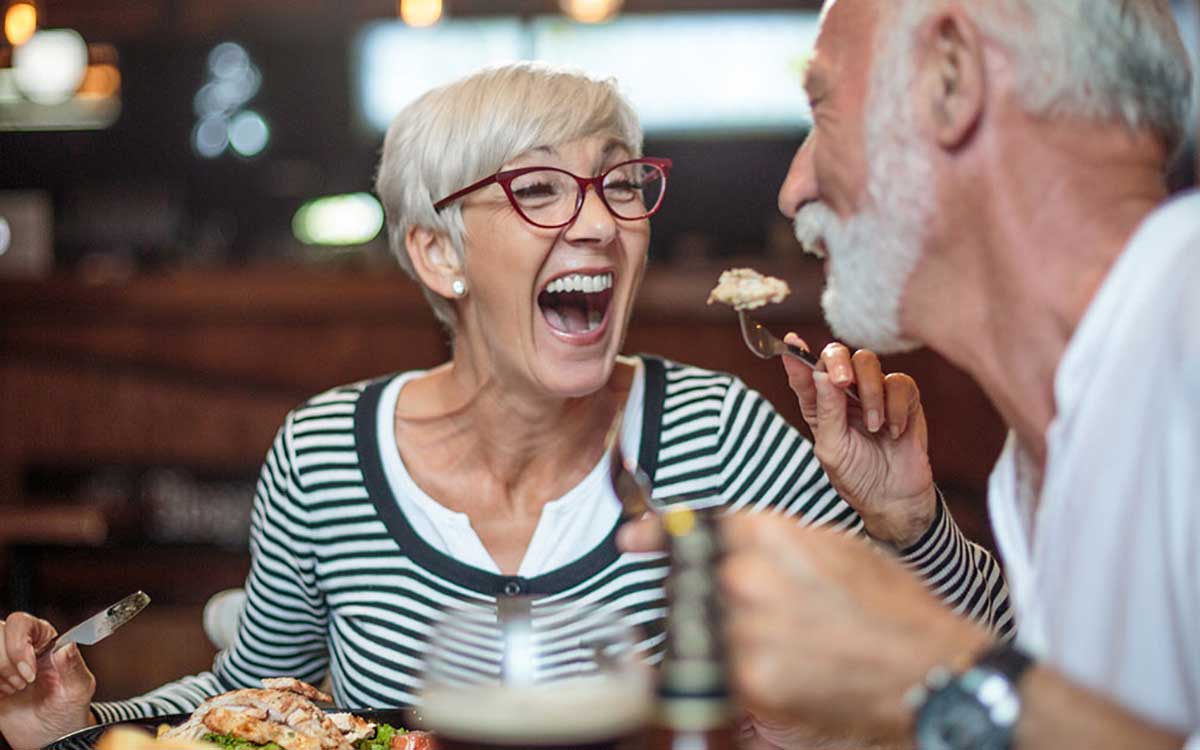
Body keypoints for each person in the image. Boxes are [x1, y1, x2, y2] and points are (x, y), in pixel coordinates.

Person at [0, 62, 1010, 750]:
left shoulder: (719, 438)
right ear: (438, 253)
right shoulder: (325, 458)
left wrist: (909, 527)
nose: (601, 225)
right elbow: (251, 705)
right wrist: (82, 724)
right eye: (539, 191)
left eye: (621, 187)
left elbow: (981, 680)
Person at [622, 0, 1198, 748]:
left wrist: (921, 673)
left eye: (822, 110)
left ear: (950, 79)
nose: (791, 189)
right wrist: (914, 536)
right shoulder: (1042, 450)